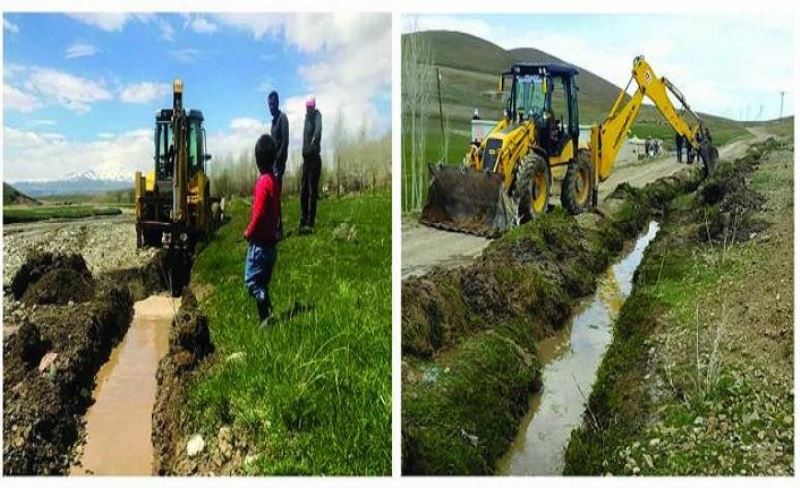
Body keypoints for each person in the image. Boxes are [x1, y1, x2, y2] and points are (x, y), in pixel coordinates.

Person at [244, 134, 281, 327]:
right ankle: (265, 316)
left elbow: (258, 213)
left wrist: (249, 232)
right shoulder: (274, 181)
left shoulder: (262, 183)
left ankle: (264, 309)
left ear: (258, 161)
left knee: (252, 281)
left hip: (259, 245)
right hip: (271, 245)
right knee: (263, 281)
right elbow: (275, 210)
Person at [300, 94, 322, 234]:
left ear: (314, 106)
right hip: (306, 160)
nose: (309, 109)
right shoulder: (306, 118)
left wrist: (313, 143)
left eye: (311, 107)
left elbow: (318, 132)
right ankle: (303, 218)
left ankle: (310, 221)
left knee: (312, 192)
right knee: (303, 191)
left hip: (314, 159)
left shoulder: (317, 116)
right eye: (307, 107)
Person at [268, 91, 288, 238]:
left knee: (276, 197)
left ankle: (279, 231)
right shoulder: (273, 121)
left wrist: (278, 160)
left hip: (279, 164)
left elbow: (285, 141)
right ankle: (274, 228)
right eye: (269, 105)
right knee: (272, 197)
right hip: (272, 164)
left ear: (278, 103)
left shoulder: (282, 118)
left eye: (273, 104)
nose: (271, 107)